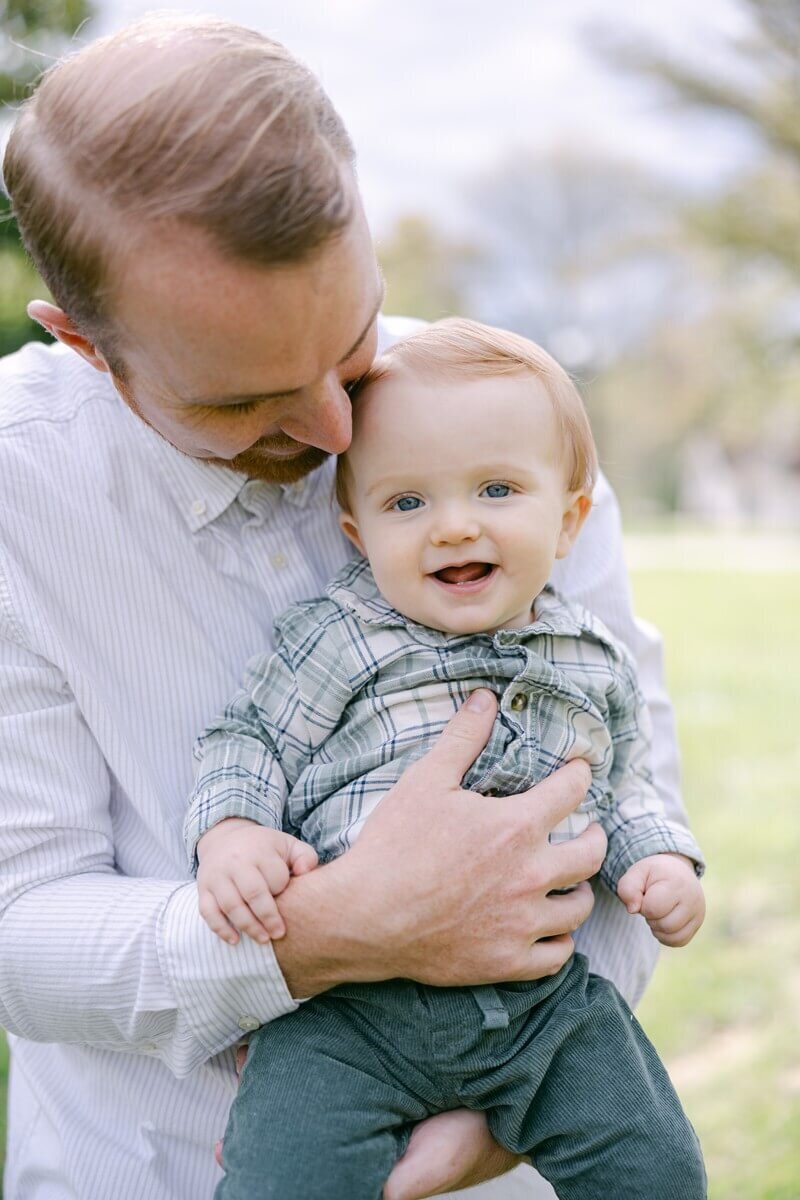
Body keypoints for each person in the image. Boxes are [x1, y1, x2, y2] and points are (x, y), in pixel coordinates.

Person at [0, 16, 696, 1200]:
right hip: (157, 1170)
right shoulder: (19, 494)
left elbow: (622, 756)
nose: (334, 430)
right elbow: (20, 929)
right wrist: (331, 930)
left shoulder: (499, 412)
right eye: (248, 400)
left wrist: (506, 1115)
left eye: (355, 337)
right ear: (84, 346)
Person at [188, 319, 707, 1200]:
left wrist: (658, 857)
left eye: (497, 489)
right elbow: (250, 738)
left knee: (654, 1161)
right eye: (407, 503)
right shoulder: (342, 639)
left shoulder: (589, 658)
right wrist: (232, 833)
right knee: (288, 1176)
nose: (453, 526)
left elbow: (621, 781)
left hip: (541, 1005)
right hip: (348, 1008)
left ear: (570, 519)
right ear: (357, 534)